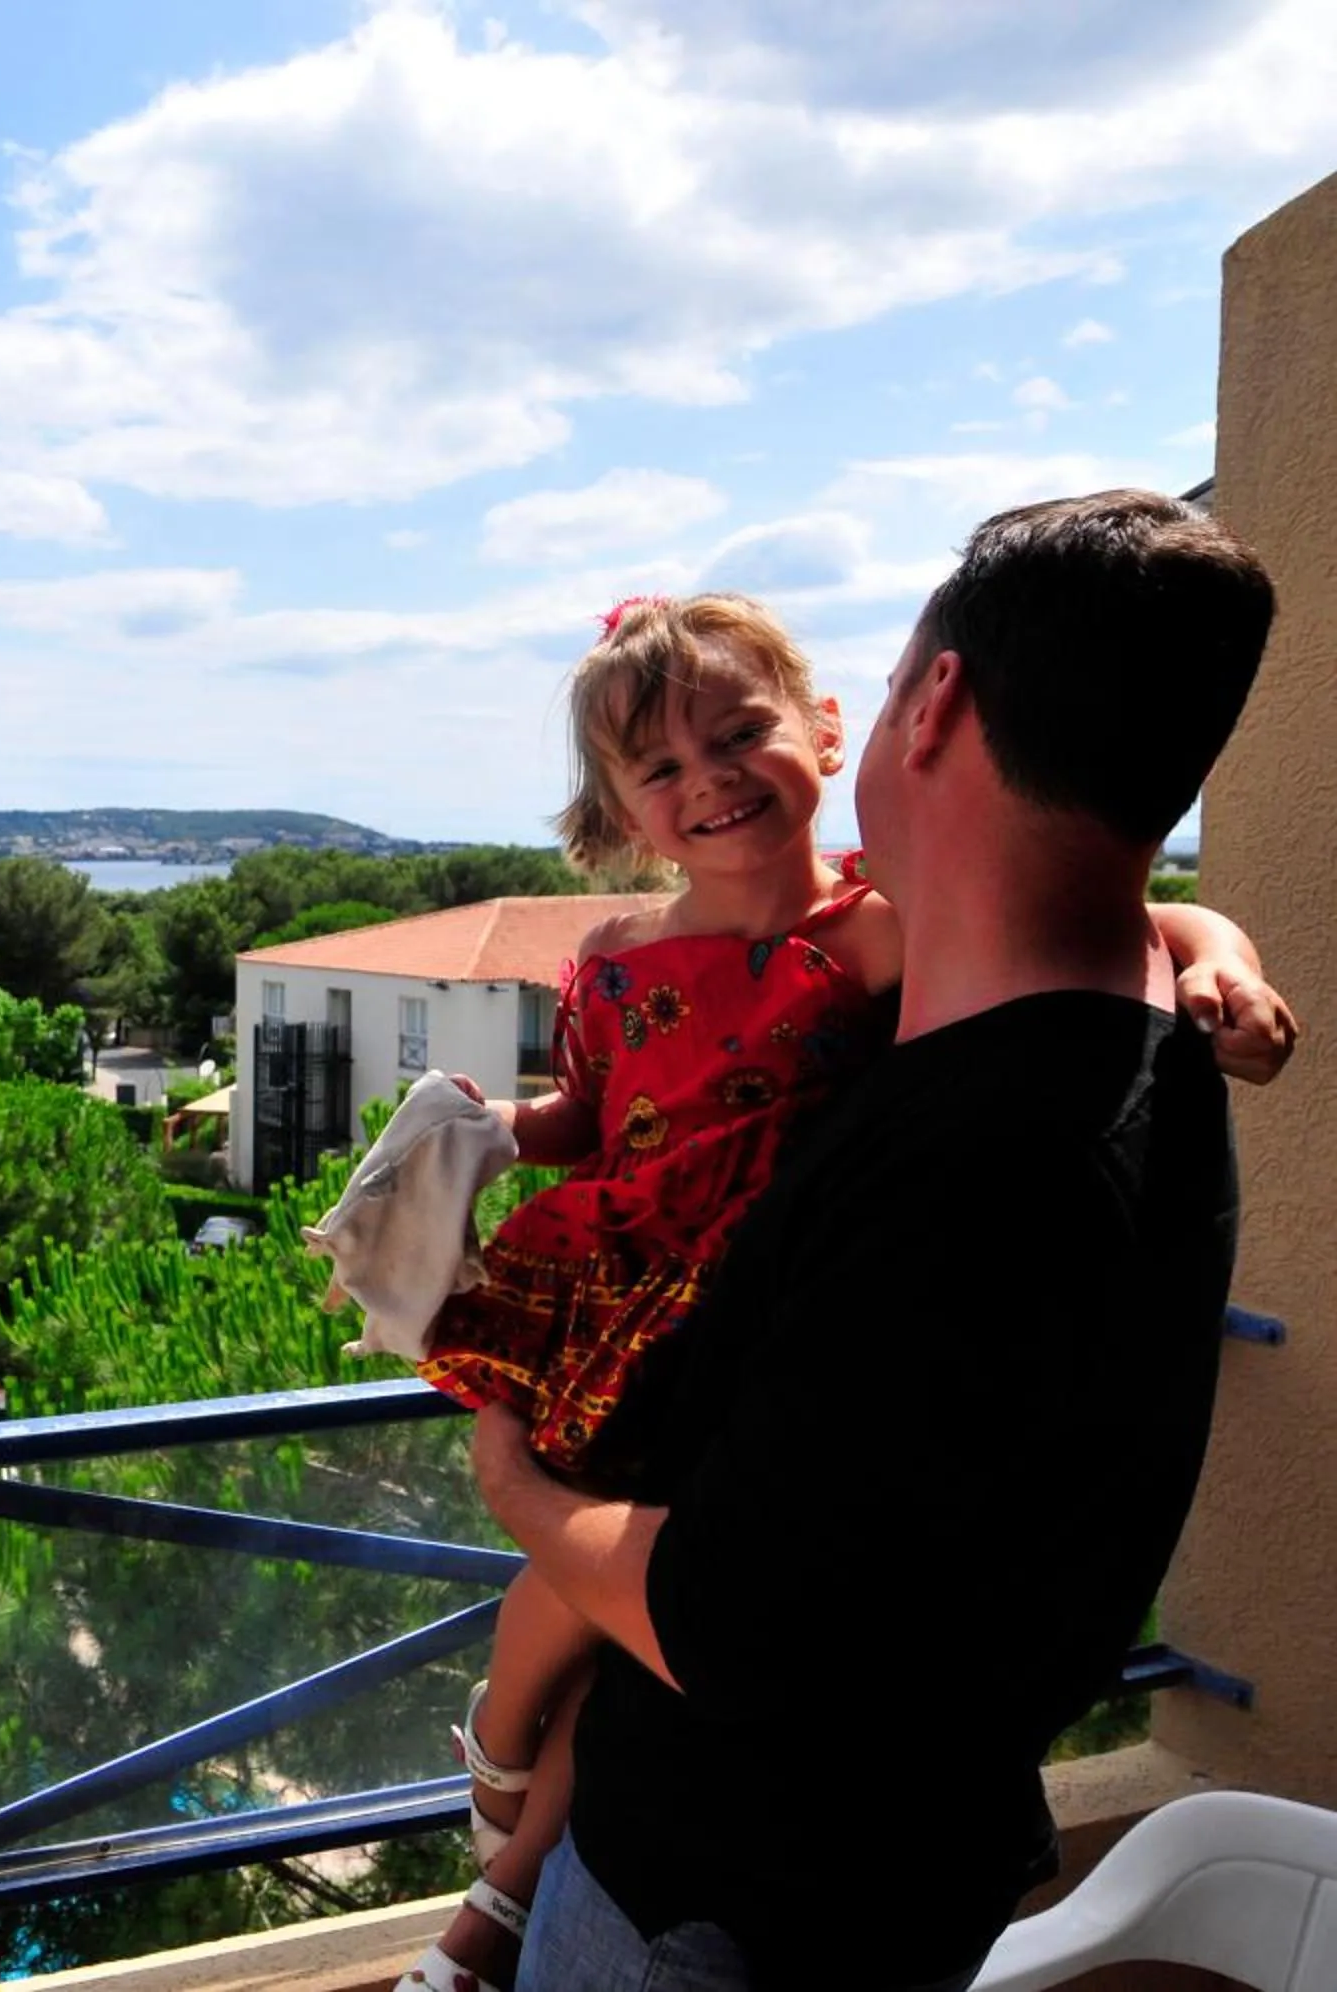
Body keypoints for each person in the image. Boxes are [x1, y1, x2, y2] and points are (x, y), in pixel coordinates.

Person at [394, 583, 1295, 1990]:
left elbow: (1128, 909)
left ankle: (504, 1858)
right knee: (576, 1601)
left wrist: (1223, 952)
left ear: (827, 730)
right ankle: (500, 1769)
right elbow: (593, 1108)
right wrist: (493, 1138)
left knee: (609, 1585)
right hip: (637, 1289)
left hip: (735, 1313)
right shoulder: (619, 961)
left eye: (736, 734)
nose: (709, 783)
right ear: (627, 812)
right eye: (664, 770)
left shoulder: (875, 927)